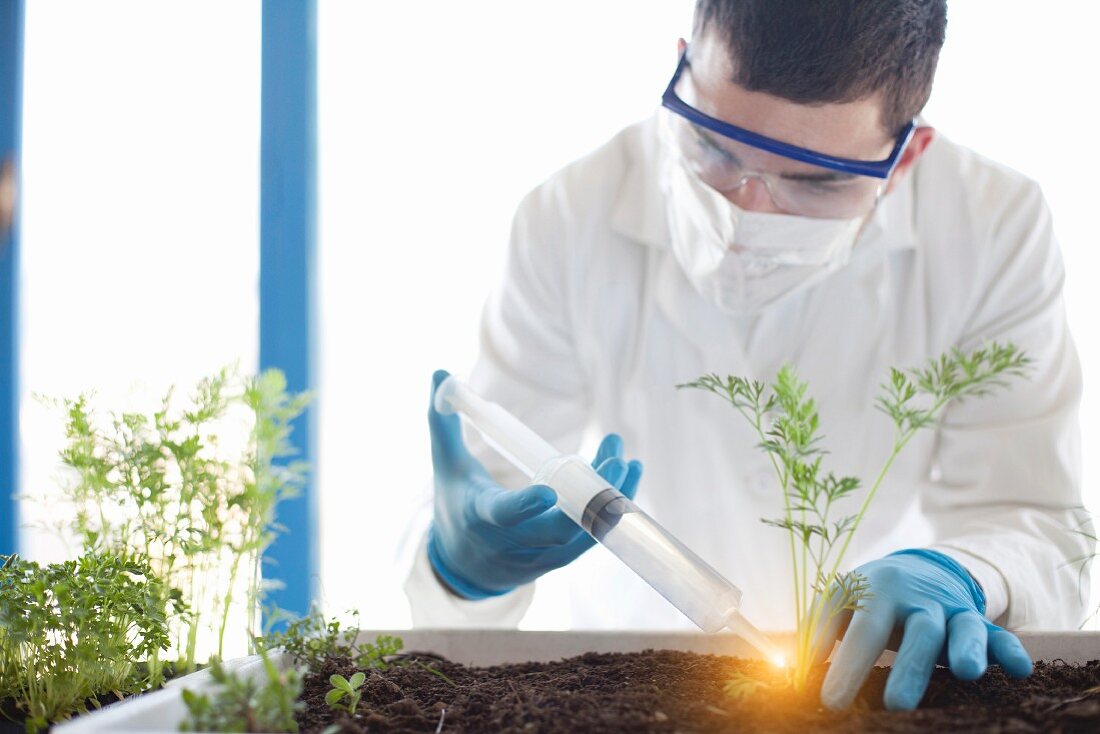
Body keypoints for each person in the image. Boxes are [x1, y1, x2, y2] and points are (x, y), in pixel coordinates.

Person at [404, 0, 1094, 712]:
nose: (745, 213)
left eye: (814, 180)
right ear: (682, 66)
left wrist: (965, 572)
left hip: (876, 680)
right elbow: (481, 523)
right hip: (630, 688)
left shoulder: (993, 226)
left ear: (905, 158)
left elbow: (1034, 518)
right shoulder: (571, 213)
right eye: (716, 147)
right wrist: (461, 569)